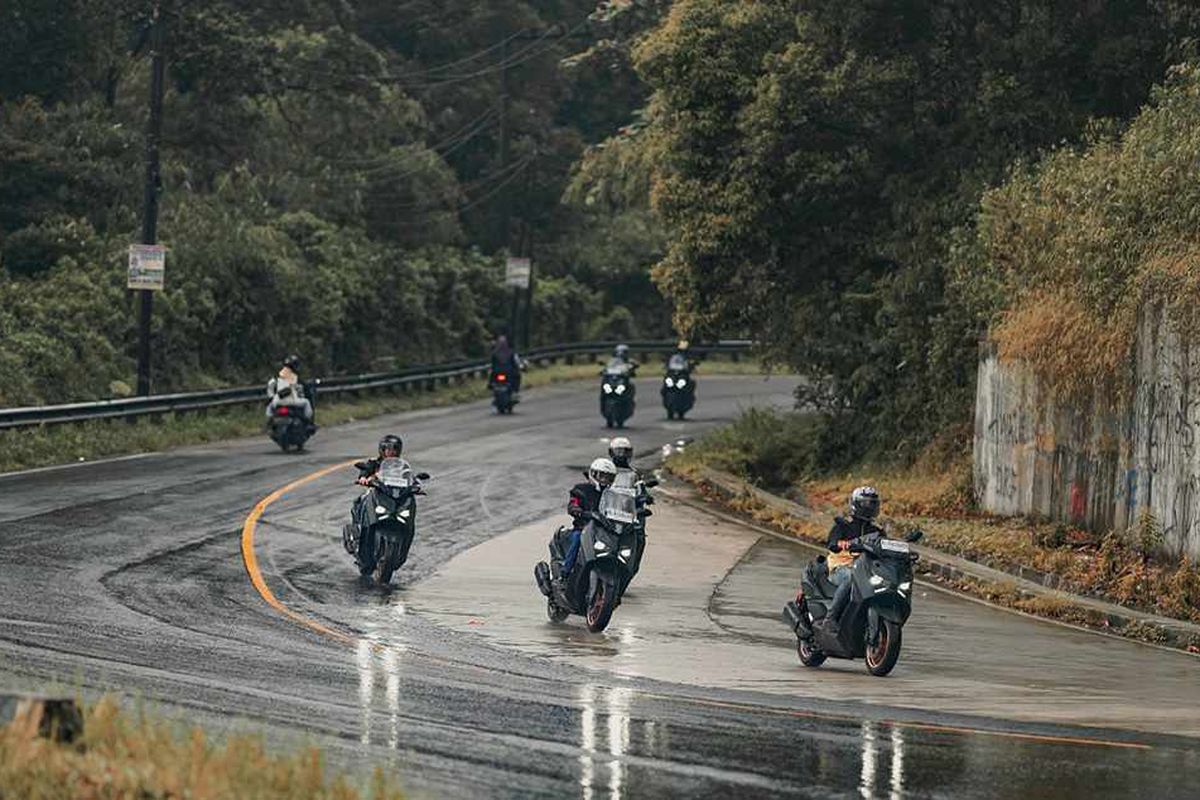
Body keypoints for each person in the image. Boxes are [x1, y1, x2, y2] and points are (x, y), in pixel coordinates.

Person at [822, 486, 884, 634]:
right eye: (866, 503)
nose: (870, 507)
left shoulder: (877, 532)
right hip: (841, 567)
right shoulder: (842, 526)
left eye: (873, 504)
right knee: (852, 578)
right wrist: (840, 543)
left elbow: (885, 546)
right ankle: (829, 619)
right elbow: (831, 543)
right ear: (856, 504)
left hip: (867, 569)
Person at [559, 457, 618, 577]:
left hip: (605, 531)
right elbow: (573, 504)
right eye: (601, 476)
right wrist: (577, 510)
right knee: (577, 539)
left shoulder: (614, 495)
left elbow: (624, 506)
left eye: (608, 477)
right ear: (593, 474)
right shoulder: (581, 490)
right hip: (583, 528)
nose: (604, 480)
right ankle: (564, 573)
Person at [351, 434, 405, 528]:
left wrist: (415, 484)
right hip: (377, 491)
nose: (391, 452)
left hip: (395, 494)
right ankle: (360, 526)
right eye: (388, 449)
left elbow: (408, 476)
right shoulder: (374, 462)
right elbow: (366, 470)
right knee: (360, 500)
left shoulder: (401, 465)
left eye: (394, 449)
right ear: (383, 450)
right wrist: (363, 478)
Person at [266, 354, 314, 430]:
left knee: (269, 406)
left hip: (278, 402)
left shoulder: (277, 378)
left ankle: (268, 423)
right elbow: (304, 391)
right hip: (294, 402)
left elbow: (270, 388)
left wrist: (271, 397)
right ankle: (309, 423)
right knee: (307, 402)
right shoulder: (297, 379)